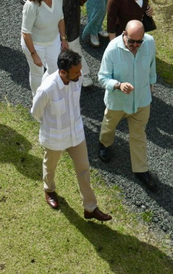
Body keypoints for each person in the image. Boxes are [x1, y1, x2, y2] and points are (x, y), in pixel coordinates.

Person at [31, 49, 112, 222]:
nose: (80, 74)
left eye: (80, 70)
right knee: (50, 166)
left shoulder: (78, 78)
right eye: (75, 72)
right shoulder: (47, 89)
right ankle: (49, 189)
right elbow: (35, 112)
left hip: (76, 134)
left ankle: (90, 208)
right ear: (62, 72)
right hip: (55, 138)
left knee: (84, 169)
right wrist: (49, 127)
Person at [98, 20, 159, 191]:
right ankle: (105, 144)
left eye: (139, 42)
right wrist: (118, 85)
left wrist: (151, 89)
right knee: (109, 126)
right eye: (131, 41)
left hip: (141, 100)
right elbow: (102, 77)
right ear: (124, 34)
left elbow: (152, 67)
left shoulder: (150, 42)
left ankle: (141, 170)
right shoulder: (112, 49)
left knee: (139, 135)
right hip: (118, 101)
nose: (135, 45)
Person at [21, 0, 68, 94]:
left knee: (55, 70)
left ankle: (45, 92)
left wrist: (63, 38)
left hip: (53, 41)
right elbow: (26, 32)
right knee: (37, 73)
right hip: (35, 45)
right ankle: (37, 101)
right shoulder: (31, 6)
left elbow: (61, 19)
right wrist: (34, 54)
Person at [52, 0, 92, 87]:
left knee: (74, 46)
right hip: (57, 21)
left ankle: (84, 74)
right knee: (57, 48)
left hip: (73, 18)